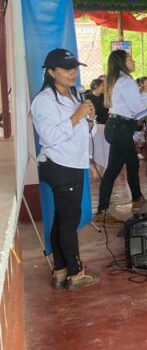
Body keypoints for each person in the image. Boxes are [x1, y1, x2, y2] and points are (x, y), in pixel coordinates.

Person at [31, 49, 101, 290]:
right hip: (60, 164)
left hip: (73, 162)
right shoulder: (43, 101)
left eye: (74, 68)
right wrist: (76, 116)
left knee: (63, 219)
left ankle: (60, 270)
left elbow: (84, 131)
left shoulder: (72, 95)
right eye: (66, 68)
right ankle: (76, 273)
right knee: (68, 222)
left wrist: (88, 118)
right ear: (51, 72)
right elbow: (49, 137)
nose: (73, 73)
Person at [96, 50, 145, 226]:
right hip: (121, 128)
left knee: (133, 163)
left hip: (118, 126)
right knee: (113, 170)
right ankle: (101, 211)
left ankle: (137, 197)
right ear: (122, 63)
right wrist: (146, 95)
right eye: (130, 59)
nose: (134, 61)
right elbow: (138, 108)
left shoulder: (118, 79)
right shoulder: (125, 81)